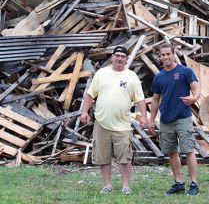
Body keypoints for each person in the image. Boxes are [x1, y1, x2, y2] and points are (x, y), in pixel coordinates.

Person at [81, 45, 147, 195]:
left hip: (123, 124)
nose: (119, 58)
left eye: (123, 56)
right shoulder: (101, 74)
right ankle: (107, 185)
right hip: (102, 123)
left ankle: (125, 186)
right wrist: (84, 111)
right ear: (112, 57)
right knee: (103, 156)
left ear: (126, 59)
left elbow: (140, 99)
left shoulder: (131, 76)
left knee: (125, 157)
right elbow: (91, 94)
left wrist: (143, 116)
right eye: (117, 55)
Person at [148, 43, 201, 196]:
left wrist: (194, 98)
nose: (165, 57)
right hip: (166, 120)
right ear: (160, 57)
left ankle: (194, 184)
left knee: (189, 150)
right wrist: (152, 120)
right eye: (162, 55)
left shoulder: (185, 71)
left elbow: (196, 88)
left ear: (173, 54)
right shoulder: (159, 76)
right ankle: (179, 183)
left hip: (183, 118)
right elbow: (155, 99)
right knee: (172, 152)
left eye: (168, 54)